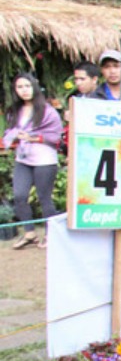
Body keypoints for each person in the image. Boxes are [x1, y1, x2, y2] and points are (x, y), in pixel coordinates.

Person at [3, 73, 63, 250]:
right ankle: (29, 233)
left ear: (34, 87)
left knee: (44, 198)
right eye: (20, 87)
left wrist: (32, 137)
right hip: (23, 158)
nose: (24, 90)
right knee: (19, 196)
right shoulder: (14, 111)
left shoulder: (47, 111)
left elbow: (56, 136)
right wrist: (14, 137)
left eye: (27, 86)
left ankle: (51, 235)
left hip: (44, 159)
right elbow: (10, 132)